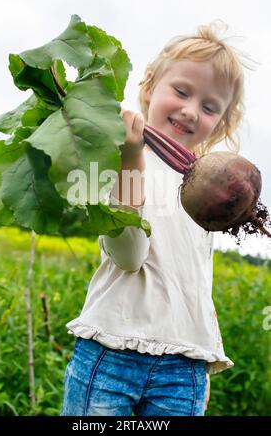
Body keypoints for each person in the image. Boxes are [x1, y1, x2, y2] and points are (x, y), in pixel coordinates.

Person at [61, 21, 249, 416]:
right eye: (181, 92)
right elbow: (129, 256)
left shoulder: (204, 184)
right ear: (149, 85)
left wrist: (200, 356)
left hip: (184, 369)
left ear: (223, 121)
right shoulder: (118, 159)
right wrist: (131, 158)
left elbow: (192, 280)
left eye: (209, 106)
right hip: (114, 353)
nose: (189, 110)